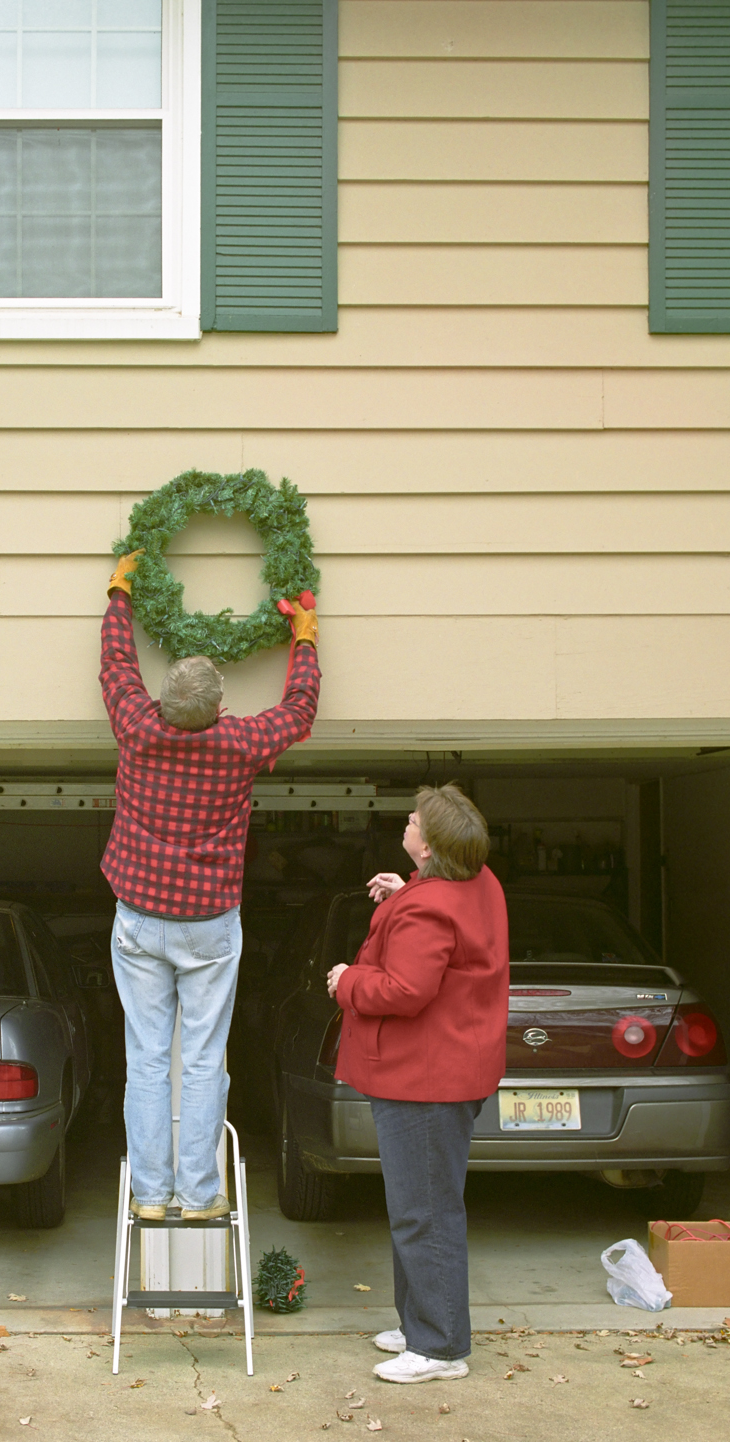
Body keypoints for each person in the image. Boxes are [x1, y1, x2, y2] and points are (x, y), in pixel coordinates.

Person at [101, 553, 320, 1219]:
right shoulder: (241, 743)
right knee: (201, 1060)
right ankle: (197, 1194)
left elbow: (116, 667)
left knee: (147, 1059)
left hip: (140, 917)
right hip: (208, 926)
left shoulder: (137, 726)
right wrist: (304, 635)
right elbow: (301, 709)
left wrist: (120, 592)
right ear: (220, 705)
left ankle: (148, 1194)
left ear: (167, 702)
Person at [326, 783, 508, 1382]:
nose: (404, 823)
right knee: (424, 1205)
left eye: (411, 821)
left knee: (422, 1212)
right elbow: (451, 935)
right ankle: (420, 1326)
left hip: (422, 1080)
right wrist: (406, 894)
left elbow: (405, 990)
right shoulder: (477, 885)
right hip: (448, 1071)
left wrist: (347, 979)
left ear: (427, 847)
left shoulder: (429, 906)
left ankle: (439, 1347)